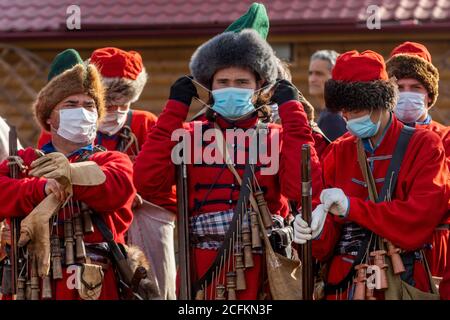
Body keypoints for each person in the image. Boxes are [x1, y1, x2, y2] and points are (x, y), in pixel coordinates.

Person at [134, 3, 321, 299]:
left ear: (259, 86)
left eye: (242, 82)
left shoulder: (277, 135)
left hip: (264, 269)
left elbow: (301, 188)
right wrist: (174, 110)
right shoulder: (190, 133)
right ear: (210, 86)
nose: (231, 88)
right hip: (203, 269)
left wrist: (293, 114)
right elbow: (147, 180)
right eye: (223, 82)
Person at [294, 50, 449, 300]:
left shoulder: (425, 145)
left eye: (355, 108)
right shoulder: (338, 150)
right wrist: (311, 228)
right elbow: (325, 246)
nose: (346, 116)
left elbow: (419, 218)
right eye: (343, 109)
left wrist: (351, 208)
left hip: (403, 279)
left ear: (381, 101)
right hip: (345, 286)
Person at [0, 61, 137, 299]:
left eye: (89, 105)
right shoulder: (25, 161)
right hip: (32, 280)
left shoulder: (113, 159)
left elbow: (116, 188)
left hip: (95, 283)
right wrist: (40, 188)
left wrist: (69, 174)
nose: (82, 111)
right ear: (49, 117)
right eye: (71, 104)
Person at [386, 41, 449, 278]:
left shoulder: (446, 138)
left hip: (435, 256)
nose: (407, 94)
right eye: (400, 87)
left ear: (429, 94)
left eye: (416, 87)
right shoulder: (375, 139)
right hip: (384, 252)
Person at [38, 48, 157, 162]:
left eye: (124, 105)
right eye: (109, 106)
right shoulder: (63, 127)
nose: (117, 112)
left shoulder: (146, 122)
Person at [308, 50, 347, 141]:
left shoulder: (332, 117)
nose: (312, 79)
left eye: (319, 74)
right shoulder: (329, 114)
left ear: (334, 77)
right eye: (310, 73)